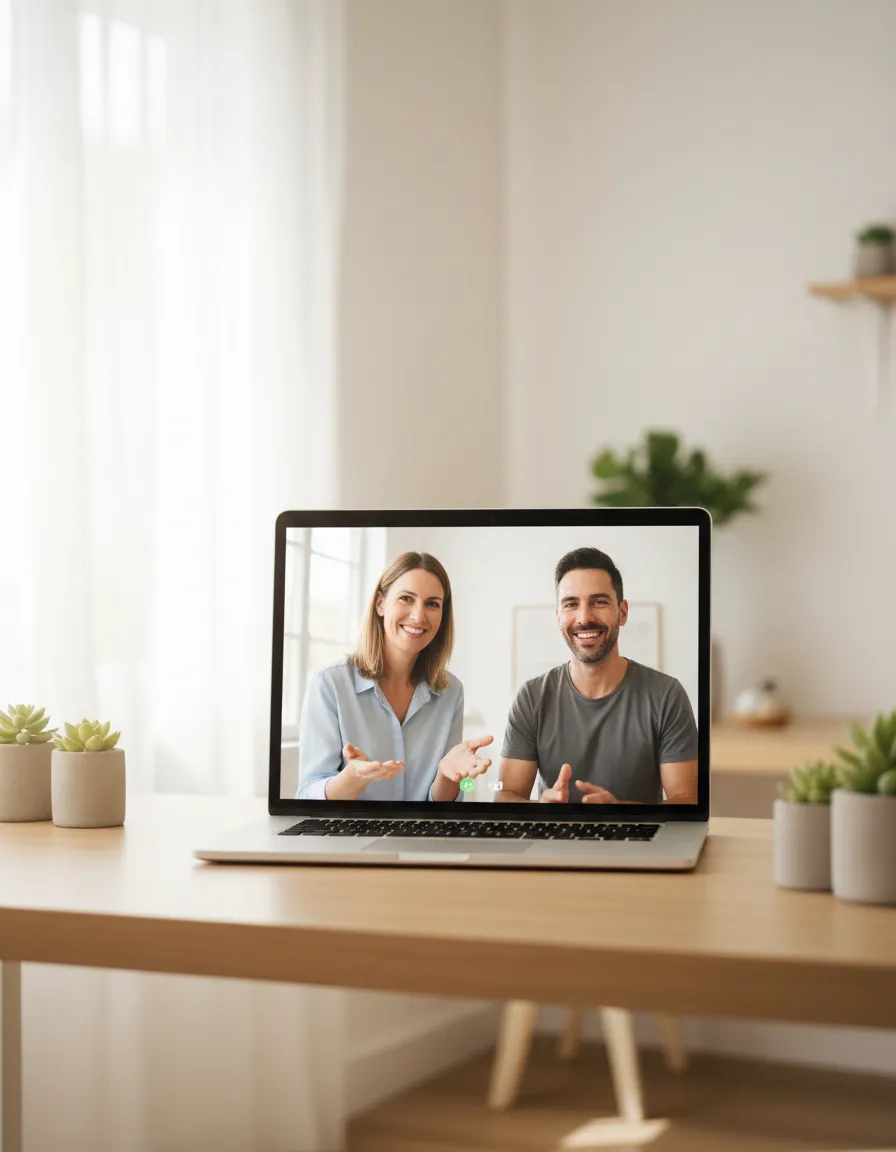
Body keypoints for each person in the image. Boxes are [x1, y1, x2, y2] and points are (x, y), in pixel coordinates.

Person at [498, 547, 699, 805]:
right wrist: (542, 810)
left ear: (622, 612)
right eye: (571, 604)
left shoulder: (666, 695)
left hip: (638, 844)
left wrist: (621, 814)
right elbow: (504, 794)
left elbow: (686, 800)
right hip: (554, 841)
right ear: (558, 617)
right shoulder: (532, 697)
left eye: (599, 602)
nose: (584, 618)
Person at [296, 551, 493, 801]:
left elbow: (449, 803)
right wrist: (353, 780)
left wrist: (448, 776)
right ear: (380, 603)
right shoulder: (330, 684)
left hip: (423, 838)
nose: (419, 616)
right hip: (350, 837)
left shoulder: (451, 691)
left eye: (432, 604)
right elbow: (306, 794)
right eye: (406, 599)